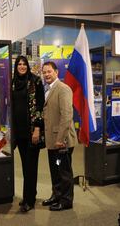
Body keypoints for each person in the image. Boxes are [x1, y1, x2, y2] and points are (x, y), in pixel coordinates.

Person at [42, 61, 78, 211]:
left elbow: (67, 116)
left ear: (56, 72)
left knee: (64, 172)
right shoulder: (49, 89)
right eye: (44, 72)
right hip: (52, 141)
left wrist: (60, 139)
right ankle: (56, 195)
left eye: (49, 71)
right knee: (55, 169)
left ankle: (66, 201)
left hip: (61, 142)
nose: (46, 75)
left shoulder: (63, 89)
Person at [11, 55, 45, 213]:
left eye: (24, 64)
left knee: (31, 167)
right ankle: (29, 195)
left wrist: (37, 128)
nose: (22, 66)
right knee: (25, 167)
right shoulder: (13, 83)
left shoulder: (36, 81)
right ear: (16, 66)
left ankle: (29, 201)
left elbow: (39, 106)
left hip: (32, 132)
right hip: (19, 133)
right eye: (19, 64)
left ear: (28, 66)